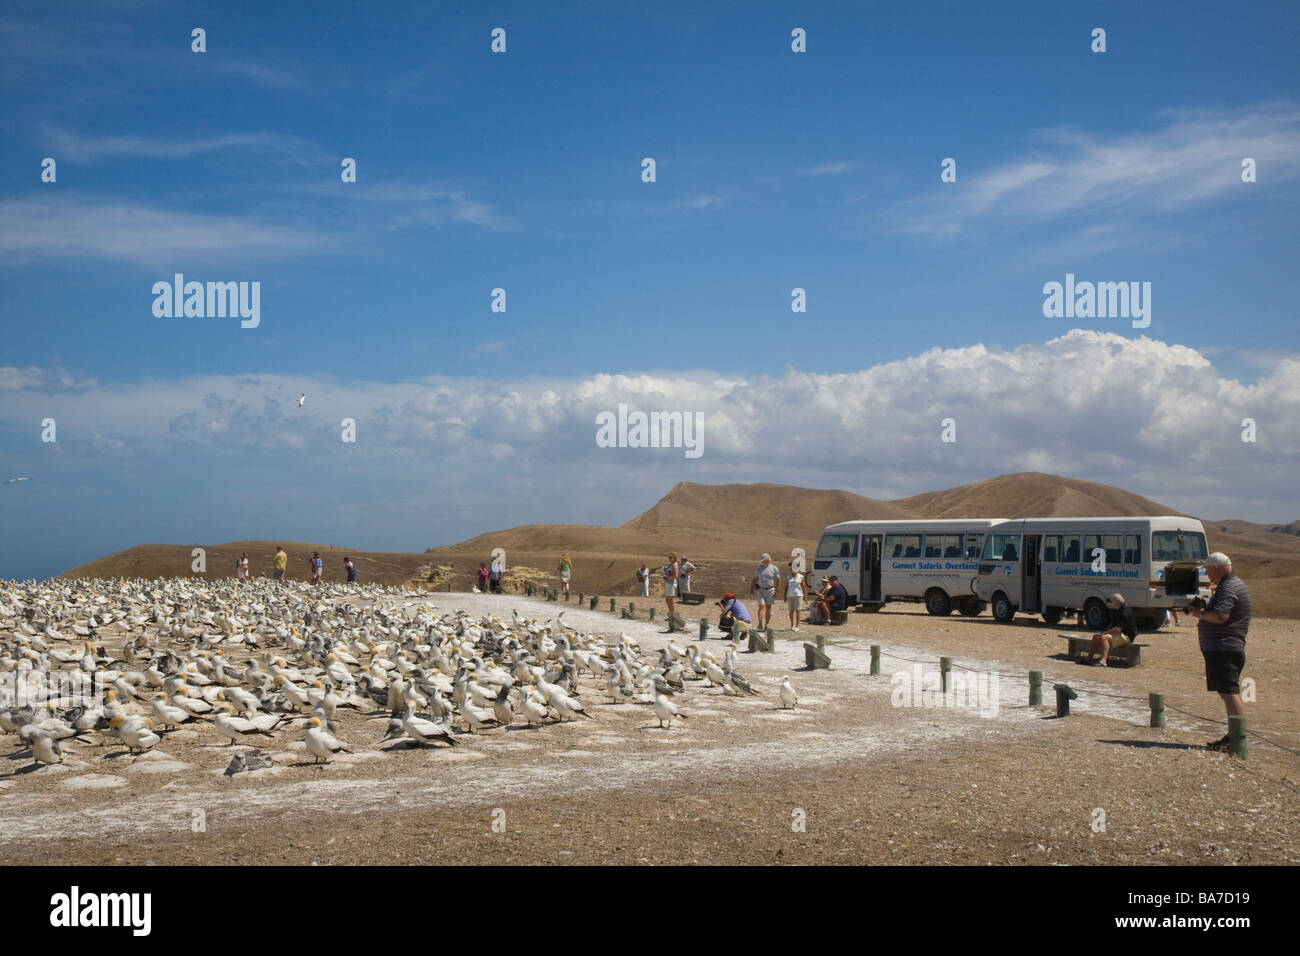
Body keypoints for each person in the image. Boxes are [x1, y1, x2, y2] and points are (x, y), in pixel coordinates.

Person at [1188, 552, 1252, 752]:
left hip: (1224, 647)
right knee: (1227, 692)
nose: (1207, 574)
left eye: (1207, 569)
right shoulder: (1229, 586)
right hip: (1223, 647)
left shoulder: (1229, 586)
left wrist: (1200, 613)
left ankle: (1237, 738)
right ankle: (1233, 736)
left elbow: (1221, 616)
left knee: (1230, 692)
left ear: (1216, 567)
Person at [1083, 593, 1137, 666]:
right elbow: (1113, 625)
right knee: (1096, 636)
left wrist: (1104, 633)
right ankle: (1088, 659)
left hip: (1127, 636)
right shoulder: (1118, 610)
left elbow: (1118, 629)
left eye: (1111, 602)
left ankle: (1103, 661)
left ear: (1116, 603)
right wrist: (1103, 632)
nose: (1111, 604)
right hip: (1120, 634)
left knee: (1104, 638)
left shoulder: (1125, 612)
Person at [750, 553, 780, 631]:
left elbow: (778, 579)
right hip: (760, 589)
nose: (762, 562)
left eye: (763, 560)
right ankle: (760, 624)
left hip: (770, 590)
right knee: (761, 605)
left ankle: (767, 624)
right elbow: (755, 579)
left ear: (768, 560)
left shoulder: (774, 568)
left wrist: (777, 590)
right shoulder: (759, 568)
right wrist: (751, 589)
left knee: (769, 607)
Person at [783, 562, 804, 632]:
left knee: (798, 611)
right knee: (791, 611)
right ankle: (792, 625)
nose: (791, 570)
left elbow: (804, 587)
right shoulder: (788, 577)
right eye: (790, 569)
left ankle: (797, 626)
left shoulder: (801, 577)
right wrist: (784, 596)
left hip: (798, 595)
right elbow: (786, 587)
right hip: (790, 596)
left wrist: (806, 598)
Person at [663, 552, 680, 620]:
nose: (669, 558)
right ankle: (670, 614)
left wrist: (667, 577)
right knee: (667, 600)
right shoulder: (671, 564)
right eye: (669, 557)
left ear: (674, 558)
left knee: (670, 600)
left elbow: (676, 576)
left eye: (671, 557)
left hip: (671, 583)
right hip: (668, 583)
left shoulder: (674, 565)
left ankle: (673, 615)